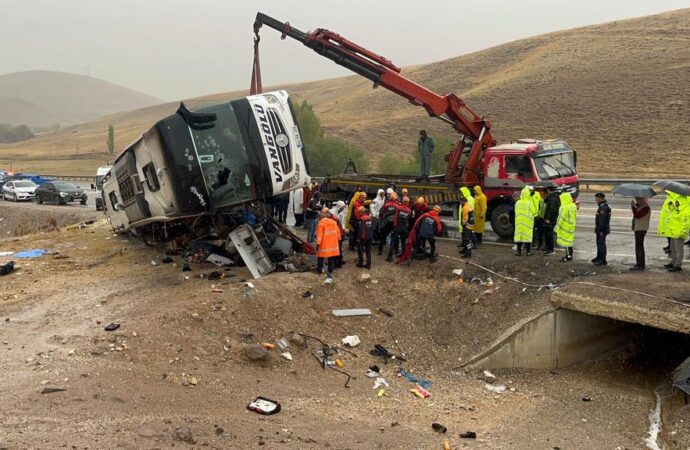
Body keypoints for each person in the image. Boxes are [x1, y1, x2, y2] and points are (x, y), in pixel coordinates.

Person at [662, 194, 689, 272]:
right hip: (673, 230)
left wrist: (682, 231)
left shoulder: (686, 208)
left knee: (678, 249)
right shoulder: (678, 206)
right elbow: (673, 213)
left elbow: (685, 222)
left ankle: (678, 265)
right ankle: (673, 262)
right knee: (673, 248)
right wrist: (670, 206)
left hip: (679, 231)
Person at [315, 208, 341, 284]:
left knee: (320, 257)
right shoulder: (334, 222)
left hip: (324, 244)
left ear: (321, 216)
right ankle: (330, 271)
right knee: (331, 258)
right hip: (333, 244)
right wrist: (338, 241)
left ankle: (319, 270)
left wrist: (317, 244)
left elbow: (319, 236)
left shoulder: (321, 224)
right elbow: (338, 233)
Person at [387, 196, 411, 262]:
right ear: (408, 203)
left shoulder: (398, 208)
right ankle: (404, 256)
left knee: (393, 242)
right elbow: (408, 218)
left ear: (402, 201)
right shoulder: (409, 210)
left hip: (397, 227)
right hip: (404, 228)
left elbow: (393, 215)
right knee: (403, 242)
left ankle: (390, 257)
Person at [630, 197, 651, 271]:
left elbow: (637, 215)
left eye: (638, 199)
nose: (637, 201)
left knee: (639, 246)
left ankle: (640, 264)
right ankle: (639, 262)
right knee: (638, 246)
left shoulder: (646, 207)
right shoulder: (641, 206)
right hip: (638, 228)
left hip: (641, 229)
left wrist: (633, 207)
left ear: (642, 200)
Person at [514, 186, 536, 256]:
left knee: (519, 237)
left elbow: (515, 211)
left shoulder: (518, 203)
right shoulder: (529, 203)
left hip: (519, 222)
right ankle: (528, 252)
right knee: (527, 237)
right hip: (527, 222)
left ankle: (519, 252)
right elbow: (534, 211)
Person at [556, 192, 577, 262]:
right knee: (570, 242)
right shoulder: (573, 206)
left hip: (565, 227)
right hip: (571, 226)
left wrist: (557, 227)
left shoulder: (563, 207)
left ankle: (568, 256)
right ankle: (569, 255)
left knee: (566, 243)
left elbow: (560, 218)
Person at [592, 192, 611, 266]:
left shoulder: (603, 207)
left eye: (597, 198)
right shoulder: (601, 206)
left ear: (601, 198)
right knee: (599, 243)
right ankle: (599, 257)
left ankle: (603, 260)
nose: (596, 199)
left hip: (602, 229)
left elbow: (602, 220)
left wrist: (600, 230)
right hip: (599, 228)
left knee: (601, 244)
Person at [542, 185, 561, 255]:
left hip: (550, 220)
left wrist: (548, 218)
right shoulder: (553, 197)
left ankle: (550, 250)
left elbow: (551, 209)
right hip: (551, 219)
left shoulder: (553, 198)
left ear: (548, 190)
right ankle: (548, 248)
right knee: (548, 234)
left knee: (549, 235)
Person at [330, 201, 347, 268]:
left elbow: (342, 222)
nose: (343, 209)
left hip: (339, 233)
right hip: (333, 233)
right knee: (335, 248)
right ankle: (335, 262)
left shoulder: (341, 213)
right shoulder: (332, 212)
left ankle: (339, 260)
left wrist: (344, 229)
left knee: (339, 248)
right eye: (342, 208)